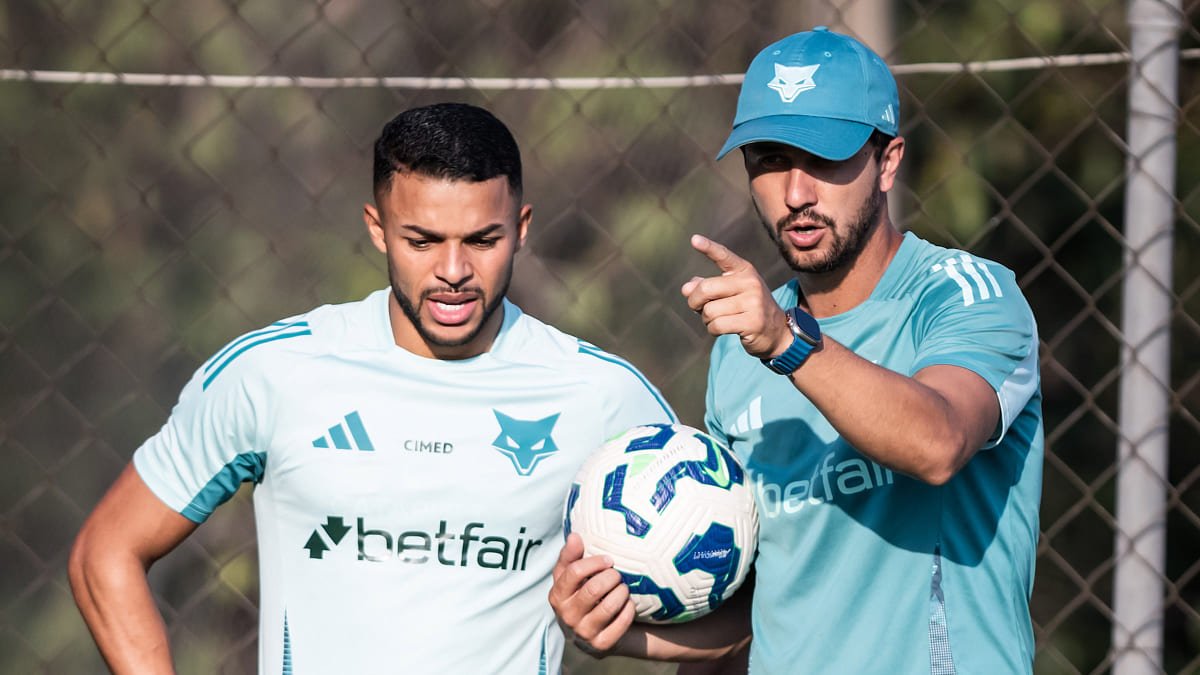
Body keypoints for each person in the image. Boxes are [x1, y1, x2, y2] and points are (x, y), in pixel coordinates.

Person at [68, 102, 676, 674]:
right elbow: (106, 552)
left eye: (482, 241)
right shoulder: (276, 372)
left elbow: (735, 604)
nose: (454, 271)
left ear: (521, 229)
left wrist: (617, 634)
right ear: (378, 228)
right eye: (423, 241)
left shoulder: (600, 394)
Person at [549, 27, 1043, 674]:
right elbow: (758, 607)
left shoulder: (966, 297)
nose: (796, 193)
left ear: (888, 161)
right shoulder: (739, 353)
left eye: (826, 158)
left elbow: (940, 441)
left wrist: (788, 343)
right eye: (770, 159)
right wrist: (616, 628)